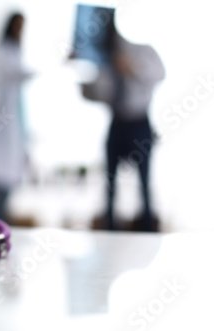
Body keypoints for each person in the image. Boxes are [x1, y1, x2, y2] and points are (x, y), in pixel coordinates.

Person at [81, 31, 165, 231]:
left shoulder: (144, 51)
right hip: (117, 123)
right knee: (109, 182)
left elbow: (160, 75)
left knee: (144, 183)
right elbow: (99, 93)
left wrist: (132, 68)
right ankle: (110, 230)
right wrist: (80, 74)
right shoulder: (106, 60)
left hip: (140, 124)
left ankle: (147, 230)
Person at [0, 12, 32, 222]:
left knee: (1, 197)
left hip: (9, 143)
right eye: (18, 25)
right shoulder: (2, 53)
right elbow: (14, 73)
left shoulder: (16, 54)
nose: (21, 31)